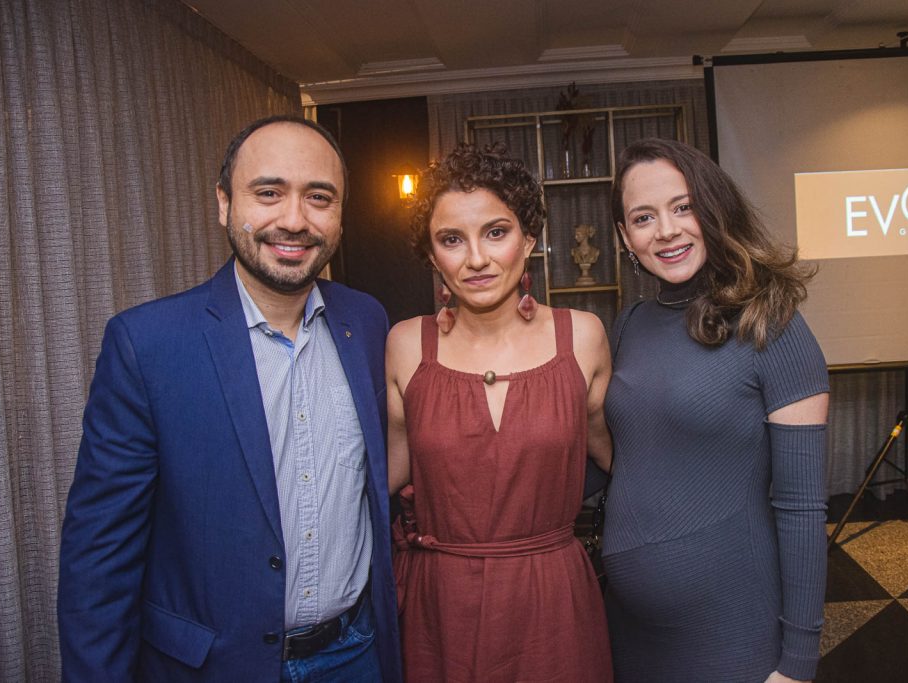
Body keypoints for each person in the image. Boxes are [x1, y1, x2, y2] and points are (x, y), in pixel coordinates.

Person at [58, 115, 401, 682]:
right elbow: (99, 560)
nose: (294, 220)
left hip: (356, 657)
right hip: (215, 668)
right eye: (268, 193)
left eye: (319, 198)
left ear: (340, 214)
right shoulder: (148, 344)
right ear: (223, 202)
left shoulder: (366, 322)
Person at [603, 138, 830, 683]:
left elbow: (802, 508)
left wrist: (799, 661)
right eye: (643, 217)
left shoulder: (773, 325)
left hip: (731, 627)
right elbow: (621, 459)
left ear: (714, 209)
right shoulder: (628, 325)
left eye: (683, 207)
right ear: (624, 238)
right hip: (627, 631)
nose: (666, 230)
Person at [386, 143, 614, 682]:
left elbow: (622, 458)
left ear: (529, 239)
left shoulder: (582, 337)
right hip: (440, 604)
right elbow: (381, 478)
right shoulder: (404, 345)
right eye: (451, 240)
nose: (477, 259)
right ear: (432, 256)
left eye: (496, 232)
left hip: (552, 600)